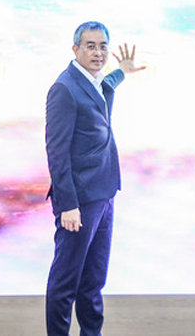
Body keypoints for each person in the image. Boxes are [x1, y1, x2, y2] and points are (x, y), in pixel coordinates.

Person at [45, 21, 145, 336]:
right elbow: (57, 152)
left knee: (93, 281)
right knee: (66, 282)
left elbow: (106, 85)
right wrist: (68, 205)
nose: (98, 52)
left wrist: (123, 70)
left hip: (104, 192)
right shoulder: (64, 88)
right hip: (80, 200)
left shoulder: (94, 81)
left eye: (103, 46)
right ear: (75, 49)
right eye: (90, 46)